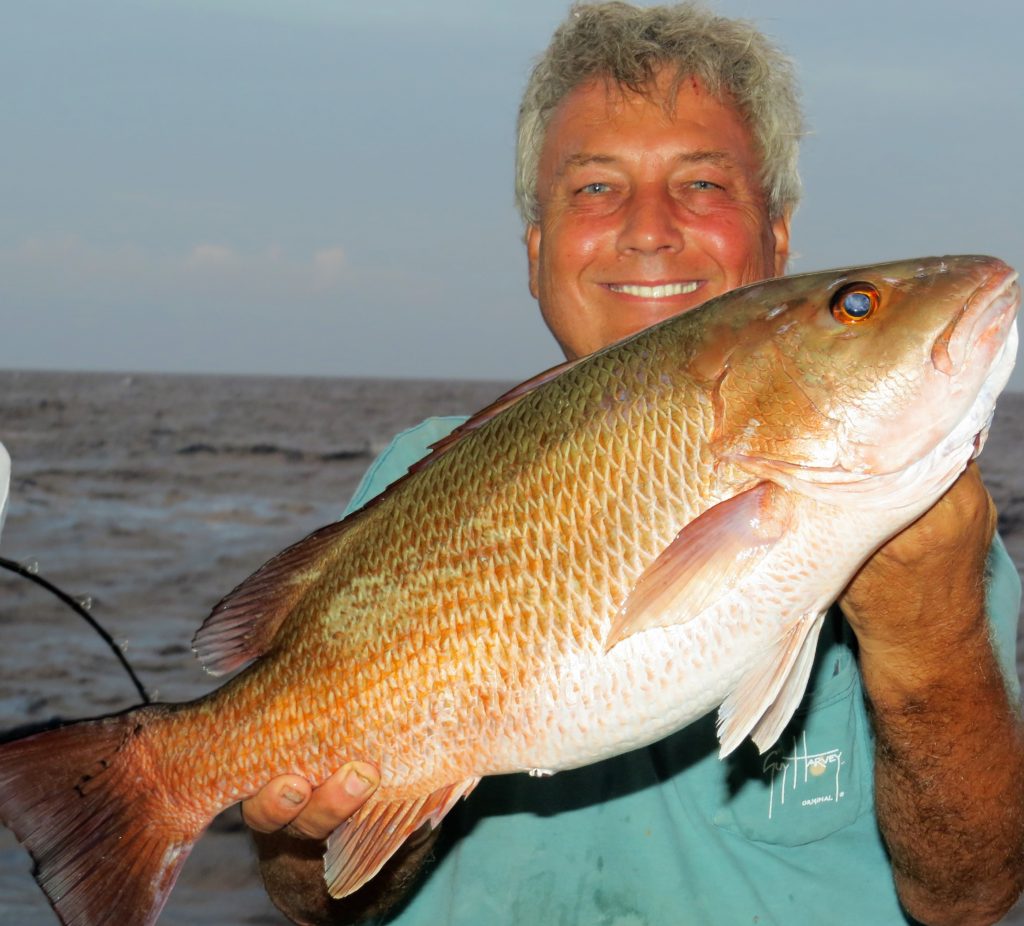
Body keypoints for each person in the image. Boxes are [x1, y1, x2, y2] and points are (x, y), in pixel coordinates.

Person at [242, 3, 1024, 924]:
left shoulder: (934, 526)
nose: (648, 230)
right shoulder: (417, 478)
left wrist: (930, 638)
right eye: (595, 189)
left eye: (703, 183)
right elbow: (318, 905)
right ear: (537, 255)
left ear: (778, 240)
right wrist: (304, 826)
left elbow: (973, 901)